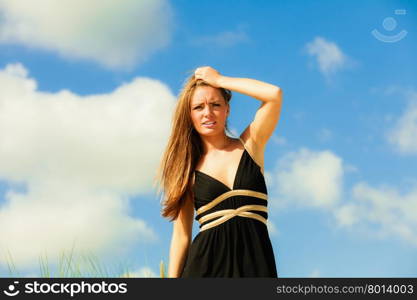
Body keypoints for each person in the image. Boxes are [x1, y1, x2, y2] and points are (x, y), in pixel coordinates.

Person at [155, 66, 283, 277]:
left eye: (215, 105)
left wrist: (220, 80)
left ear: (227, 110)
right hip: (204, 269)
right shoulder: (186, 169)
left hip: (257, 265)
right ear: (189, 115)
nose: (208, 113)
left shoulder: (250, 145)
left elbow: (274, 95)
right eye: (198, 107)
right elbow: (181, 236)